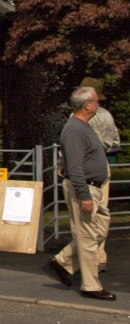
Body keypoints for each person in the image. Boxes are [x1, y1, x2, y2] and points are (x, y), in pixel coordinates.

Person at [48, 86, 114, 301]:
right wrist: (84, 195)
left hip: (94, 186)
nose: (98, 104)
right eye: (96, 101)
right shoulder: (75, 129)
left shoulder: (83, 126)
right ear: (87, 105)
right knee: (87, 237)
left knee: (99, 230)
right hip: (84, 187)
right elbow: (75, 167)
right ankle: (91, 285)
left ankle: (63, 261)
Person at [77, 77, 120, 274]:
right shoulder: (102, 117)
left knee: (93, 214)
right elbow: (114, 142)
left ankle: (92, 257)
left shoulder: (94, 117)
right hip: (94, 167)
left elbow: (108, 142)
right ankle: (93, 257)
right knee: (95, 214)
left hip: (91, 167)